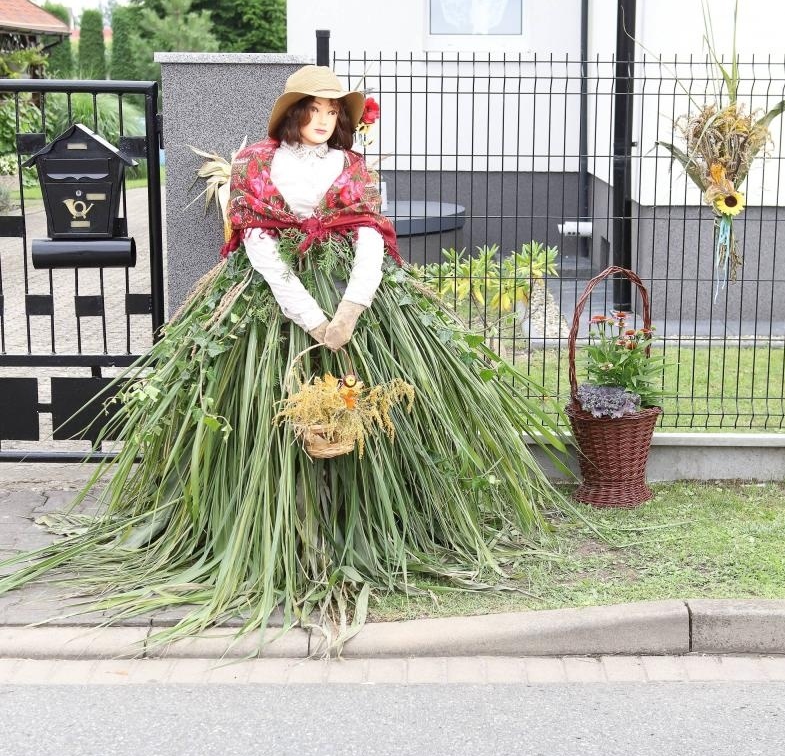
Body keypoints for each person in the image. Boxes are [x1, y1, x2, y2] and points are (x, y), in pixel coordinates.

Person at [0, 66, 571, 656]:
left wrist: (350, 309)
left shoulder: (352, 169)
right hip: (274, 306)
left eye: (334, 112)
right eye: (314, 109)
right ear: (291, 112)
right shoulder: (255, 163)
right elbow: (261, 246)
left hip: (355, 296)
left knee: (368, 413)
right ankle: (276, 535)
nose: (324, 121)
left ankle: (369, 527)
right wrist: (311, 318)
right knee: (265, 416)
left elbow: (371, 235)